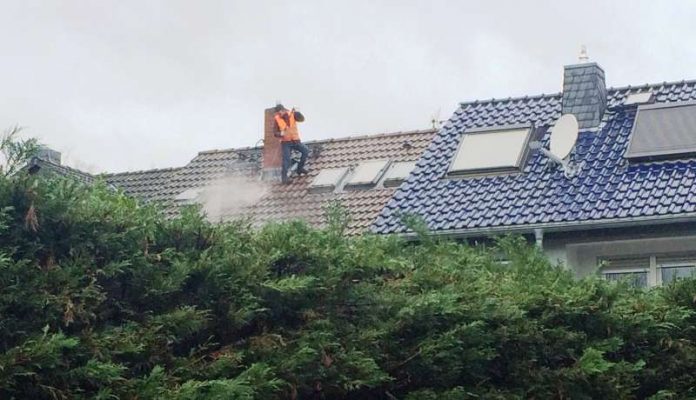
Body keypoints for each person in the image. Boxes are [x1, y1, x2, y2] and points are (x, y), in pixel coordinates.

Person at [274, 104, 309, 183]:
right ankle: (284, 179)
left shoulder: (292, 115)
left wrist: (298, 113)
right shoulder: (277, 119)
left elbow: (302, 119)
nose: (279, 114)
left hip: (295, 141)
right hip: (286, 142)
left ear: (283, 110)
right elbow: (274, 132)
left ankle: (300, 169)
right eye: (278, 113)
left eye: (280, 112)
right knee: (286, 160)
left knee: (306, 151)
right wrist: (280, 134)